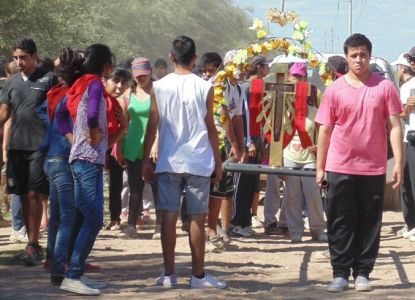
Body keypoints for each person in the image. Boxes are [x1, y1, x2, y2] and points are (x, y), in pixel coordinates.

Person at [315, 33, 403, 293]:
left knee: (369, 220)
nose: (359, 59)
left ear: (369, 55)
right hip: (339, 165)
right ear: (347, 57)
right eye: (354, 55)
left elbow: (394, 126)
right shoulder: (334, 89)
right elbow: (324, 131)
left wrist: (398, 162)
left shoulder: (384, 87)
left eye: (363, 54)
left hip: (373, 167)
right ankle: (340, 273)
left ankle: (363, 272)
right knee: (340, 221)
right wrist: (320, 167)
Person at [142, 35, 226, 289]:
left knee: (168, 216)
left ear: (170, 57)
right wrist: (219, 163)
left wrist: (146, 159)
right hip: (199, 160)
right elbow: (211, 128)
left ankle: (169, 274)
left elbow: (152, 125)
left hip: (168, 159)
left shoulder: (159, 87)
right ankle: (198, 276)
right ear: (195, 58)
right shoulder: (205, 87)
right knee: (197, 218)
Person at [56, 44, 114, 295]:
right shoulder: (94, 84)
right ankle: (74, 274)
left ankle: (74, 272)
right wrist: (90, 131)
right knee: (93, 219)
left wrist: (74, 139)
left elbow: (59, 116)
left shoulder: (76, 85)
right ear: (106, 65)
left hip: (80, 158)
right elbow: (91, 112)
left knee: (82, 216)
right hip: (89, 160)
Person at [0, 38, 59, 265]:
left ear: (34, 56)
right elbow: (4, 113)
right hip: (16, 146)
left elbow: (57, 111)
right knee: (22, 194)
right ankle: (30, 244)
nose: (18, 61)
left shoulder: (49, 79)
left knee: (35, 194)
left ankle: (34, 243)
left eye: (23, 57)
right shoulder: (12, 82)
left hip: (40, 146)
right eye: (15, 58)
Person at [282, 62, 326, 243]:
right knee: (291, 195)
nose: (297, 80)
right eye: (294, 76)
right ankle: (295, 230)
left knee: (313, 194)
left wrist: (319, 146)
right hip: (289, 156)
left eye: (300, 77)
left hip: (309, 158)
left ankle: (317, 229)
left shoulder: (315, 112)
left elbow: (323, 133)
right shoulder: (282, 109)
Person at [116, 57, 157, 239]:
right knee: (135, 188)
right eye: (138, 75)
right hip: (133, 145)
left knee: (157, 187)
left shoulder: (159, 92)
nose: (142, 78)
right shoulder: (128, 94)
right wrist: (118, 146)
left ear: (150, 73)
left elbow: (163, 122)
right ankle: (131, 224)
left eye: (145, 75)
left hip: (155, 146)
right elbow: (124, 124)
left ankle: (160, 226)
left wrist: (157, 144)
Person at [104, 68, 132, 231]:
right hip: (109, 145)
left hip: (129, 143)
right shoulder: (101, 99)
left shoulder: (129, 99)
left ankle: (136, 215)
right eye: (116, 81)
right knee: (114, 182)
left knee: (133, 182)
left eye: (124, 82)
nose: (120, 86)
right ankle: (114, 217)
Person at [391, 53, 415, 240]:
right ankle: (410, 224)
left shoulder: (407, 86)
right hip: (409, 138)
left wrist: (406, 109)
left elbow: (402, 115)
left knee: (410, 183)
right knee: (407, 183)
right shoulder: (406, 87)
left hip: (410, 138)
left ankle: (411, 224)